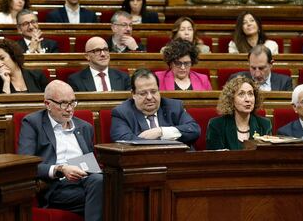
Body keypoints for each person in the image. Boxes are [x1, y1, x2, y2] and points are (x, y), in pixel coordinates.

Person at [18, 80, 103, 221]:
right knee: (108, 196)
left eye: (72, 103)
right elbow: (25, 165)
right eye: (63, 103)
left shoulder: (84, 127)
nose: (69, 109)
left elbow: (91, 163)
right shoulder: (33, 123)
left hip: (87, 182)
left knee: (104, 183)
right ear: (47, 104)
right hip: (56, 187)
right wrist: (60, 169)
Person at [110, 68, 200, 147]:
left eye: (153, 91)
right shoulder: (122, 113)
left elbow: (194, 130)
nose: (149, 97)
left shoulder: (173, 107)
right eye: (143, 93)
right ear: (133, 94)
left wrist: (161, 132)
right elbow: (124, 141)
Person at [206, 76, 272, 150]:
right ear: (231, 99)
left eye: (250, 94)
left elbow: (267, 156)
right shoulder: (217, 125)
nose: (247, 99)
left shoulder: (264, 124)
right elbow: (214, 157)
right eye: (241, 94)